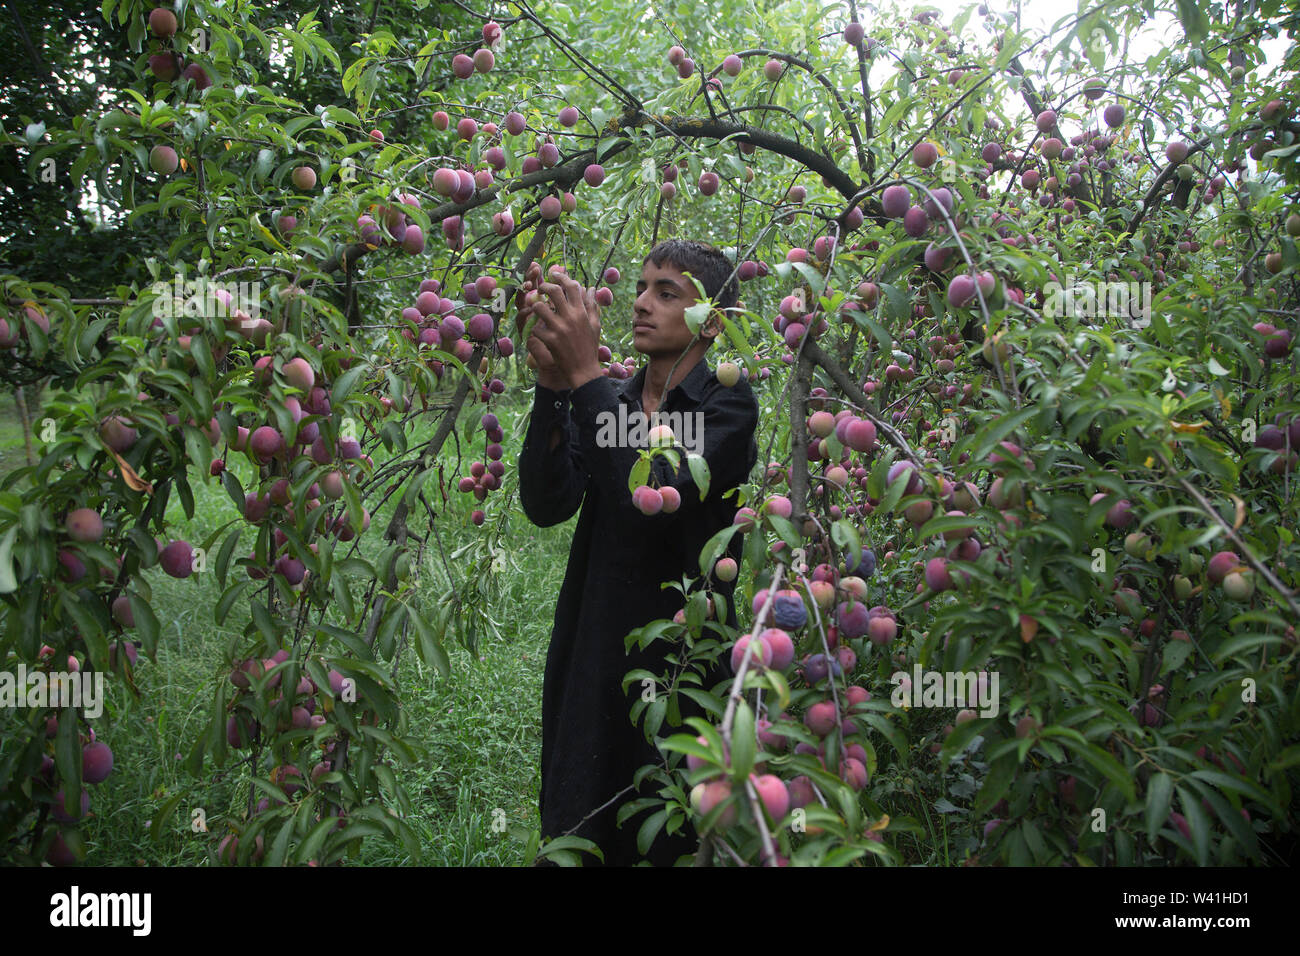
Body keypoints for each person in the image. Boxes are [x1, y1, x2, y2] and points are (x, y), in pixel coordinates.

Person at [516, 239, 760, 866]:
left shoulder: (725, 406)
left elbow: (647, 499)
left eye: (666, 292)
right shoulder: (617, 402)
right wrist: (552, 388)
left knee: (659, 829)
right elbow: (548, 503)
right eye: (642, 288)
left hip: (681, 663)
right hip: (593, 648)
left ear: (713, 319)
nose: (642, 304)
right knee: (579, 815)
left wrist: (583, 378)